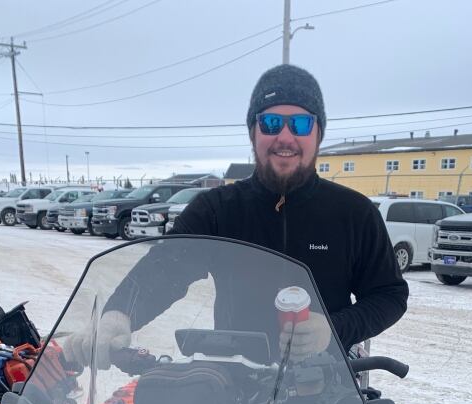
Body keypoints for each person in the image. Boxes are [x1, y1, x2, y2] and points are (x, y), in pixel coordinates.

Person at [66, 64, 409, 369]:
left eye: (301, 123)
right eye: (271, 122)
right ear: (253, 132)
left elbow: (389, 295)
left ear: (318, 134)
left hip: (323, 382)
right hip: (231, 381)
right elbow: (164, 269)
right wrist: (118, 315)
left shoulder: (354, 213)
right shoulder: (216, 209)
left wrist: (333, 330)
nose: (285, 136)